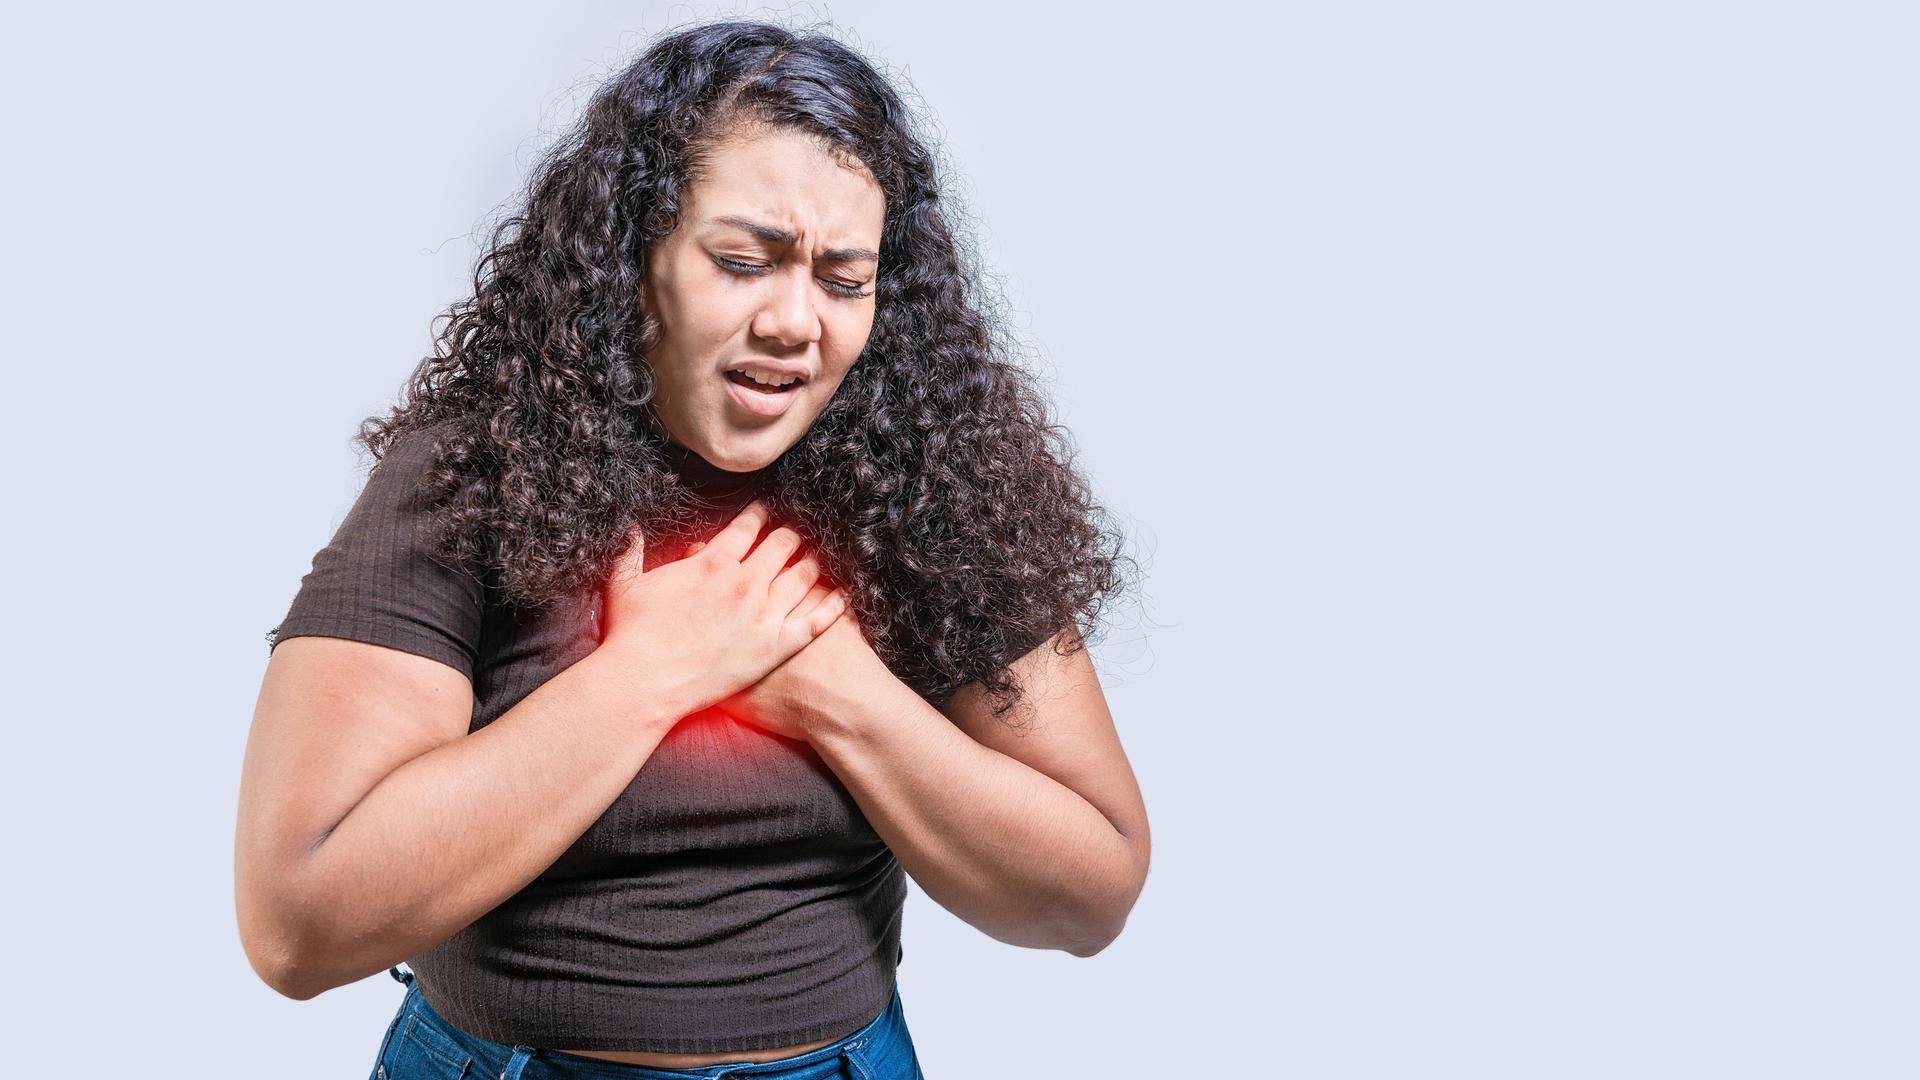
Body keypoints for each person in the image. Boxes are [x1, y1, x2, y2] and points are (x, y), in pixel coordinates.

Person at [235, 17, 1150, 1079]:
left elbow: (1093, 890)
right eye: (741, 261)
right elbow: (296, 926)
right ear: (637, 257)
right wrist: (650, 678)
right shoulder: (472, 474)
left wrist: (832, 693)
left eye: (844, 280)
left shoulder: (928, 482)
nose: (795, 321)